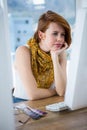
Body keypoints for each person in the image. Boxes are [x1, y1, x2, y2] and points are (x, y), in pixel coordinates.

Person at [13, 10, 71, 103]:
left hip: (49, 102)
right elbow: (33, 94)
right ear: (41, 35)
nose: (60, 39)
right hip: (22, 105)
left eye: (62, 34)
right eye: (55, 33)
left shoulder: (60, 53)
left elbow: (62, 91)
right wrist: (54, 91)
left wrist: (54, 58)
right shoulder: (23, 51)